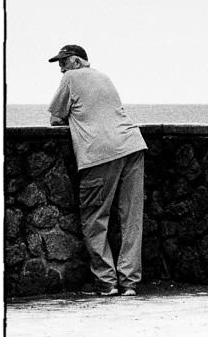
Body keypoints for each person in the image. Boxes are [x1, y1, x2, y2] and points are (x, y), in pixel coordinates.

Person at [48, 44, 147, 298]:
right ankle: (129, 283)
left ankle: (107, 281)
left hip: (100, 152)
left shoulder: (71, 78)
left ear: (79, 62)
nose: (61, 68)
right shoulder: (104, 77)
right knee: (131, 219)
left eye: (64, 61)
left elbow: (56, 118)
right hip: (132, 145)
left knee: (94, 218)